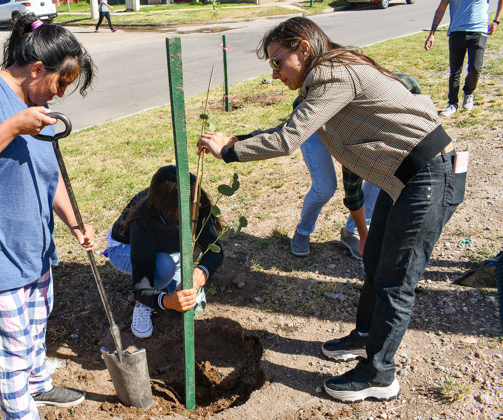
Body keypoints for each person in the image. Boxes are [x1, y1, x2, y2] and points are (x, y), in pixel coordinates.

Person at [198, 16, 466, 403]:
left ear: (303, 48)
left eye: (277, 62)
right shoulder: (326, 82)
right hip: (404, 180)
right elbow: (291, 126)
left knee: (395, 281)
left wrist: (230, 151)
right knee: (375, 263)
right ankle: (365, 339)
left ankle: (379, 374)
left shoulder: (333, 75)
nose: (275, 74)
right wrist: (237, 139)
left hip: (429, 178)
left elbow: (289, 139)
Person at [0, 14, 96, 419]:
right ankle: (19, 411)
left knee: (34, 326)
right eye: (59, 83)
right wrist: (13, 127)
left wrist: (74, 222)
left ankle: (38, 386)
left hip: (33, 245)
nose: (60, 94)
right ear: (36, 69)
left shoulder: (36, 105)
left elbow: (48, 172)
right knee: (8, 343)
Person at [105, 166, 224, 338]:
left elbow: (216, 250)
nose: (195, 208)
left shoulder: (197, 203)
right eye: (188, 206)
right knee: (163, 267)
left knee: (193, 305)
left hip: (166, 247)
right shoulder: (143, 221)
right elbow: (141, 284)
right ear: (168, 210)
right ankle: (143, 305)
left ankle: (171, 272)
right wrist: (166, 301)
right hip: (124, 249)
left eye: (195, 202)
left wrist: (201, 272)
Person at [290, 97, 379, 260]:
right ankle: (303, 230)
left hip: (349, 124)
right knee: (325, 188)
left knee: (380, 177)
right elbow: (352, 189)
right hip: (314, 125)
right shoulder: (355, 128)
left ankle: (352, 232)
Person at [424, 0, 503, 116]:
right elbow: (441, 8)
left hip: (479, 31)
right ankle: (452, 104)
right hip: (456, 32)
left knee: (475, 69)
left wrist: (496, 20)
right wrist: (432, 33)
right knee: (455, 71)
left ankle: (468, 92)